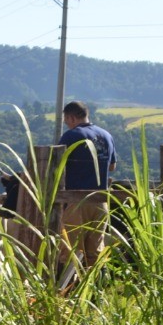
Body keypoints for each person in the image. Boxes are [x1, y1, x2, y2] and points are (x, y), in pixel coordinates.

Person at [55, 101, 117, 270]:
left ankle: (68, 292)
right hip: (100, 201)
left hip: (77, 201)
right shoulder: (106, 135)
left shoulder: (71, 136)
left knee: (70, 252)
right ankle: (97, 291)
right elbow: (112, 167)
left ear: (71, 117)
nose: (67, 123)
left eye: (66, 120)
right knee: (95, 251)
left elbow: (56, 166)